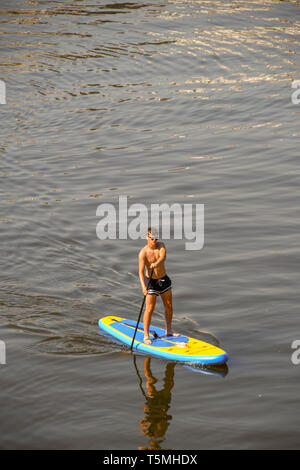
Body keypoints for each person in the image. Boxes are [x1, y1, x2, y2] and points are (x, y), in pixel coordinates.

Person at [138, 227, 180, 345]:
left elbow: (163, 257)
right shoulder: (143, 253)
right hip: (150, 282)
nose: (155, 240)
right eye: (152, 238)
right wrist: (143, 287)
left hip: (163, 279)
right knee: (150, 308)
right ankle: (146, 335)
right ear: (147, 237)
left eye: (156, 238)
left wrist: (156, 264)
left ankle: (169, 330)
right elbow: (140, 272)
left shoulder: (161, 245)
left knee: (169, 306)